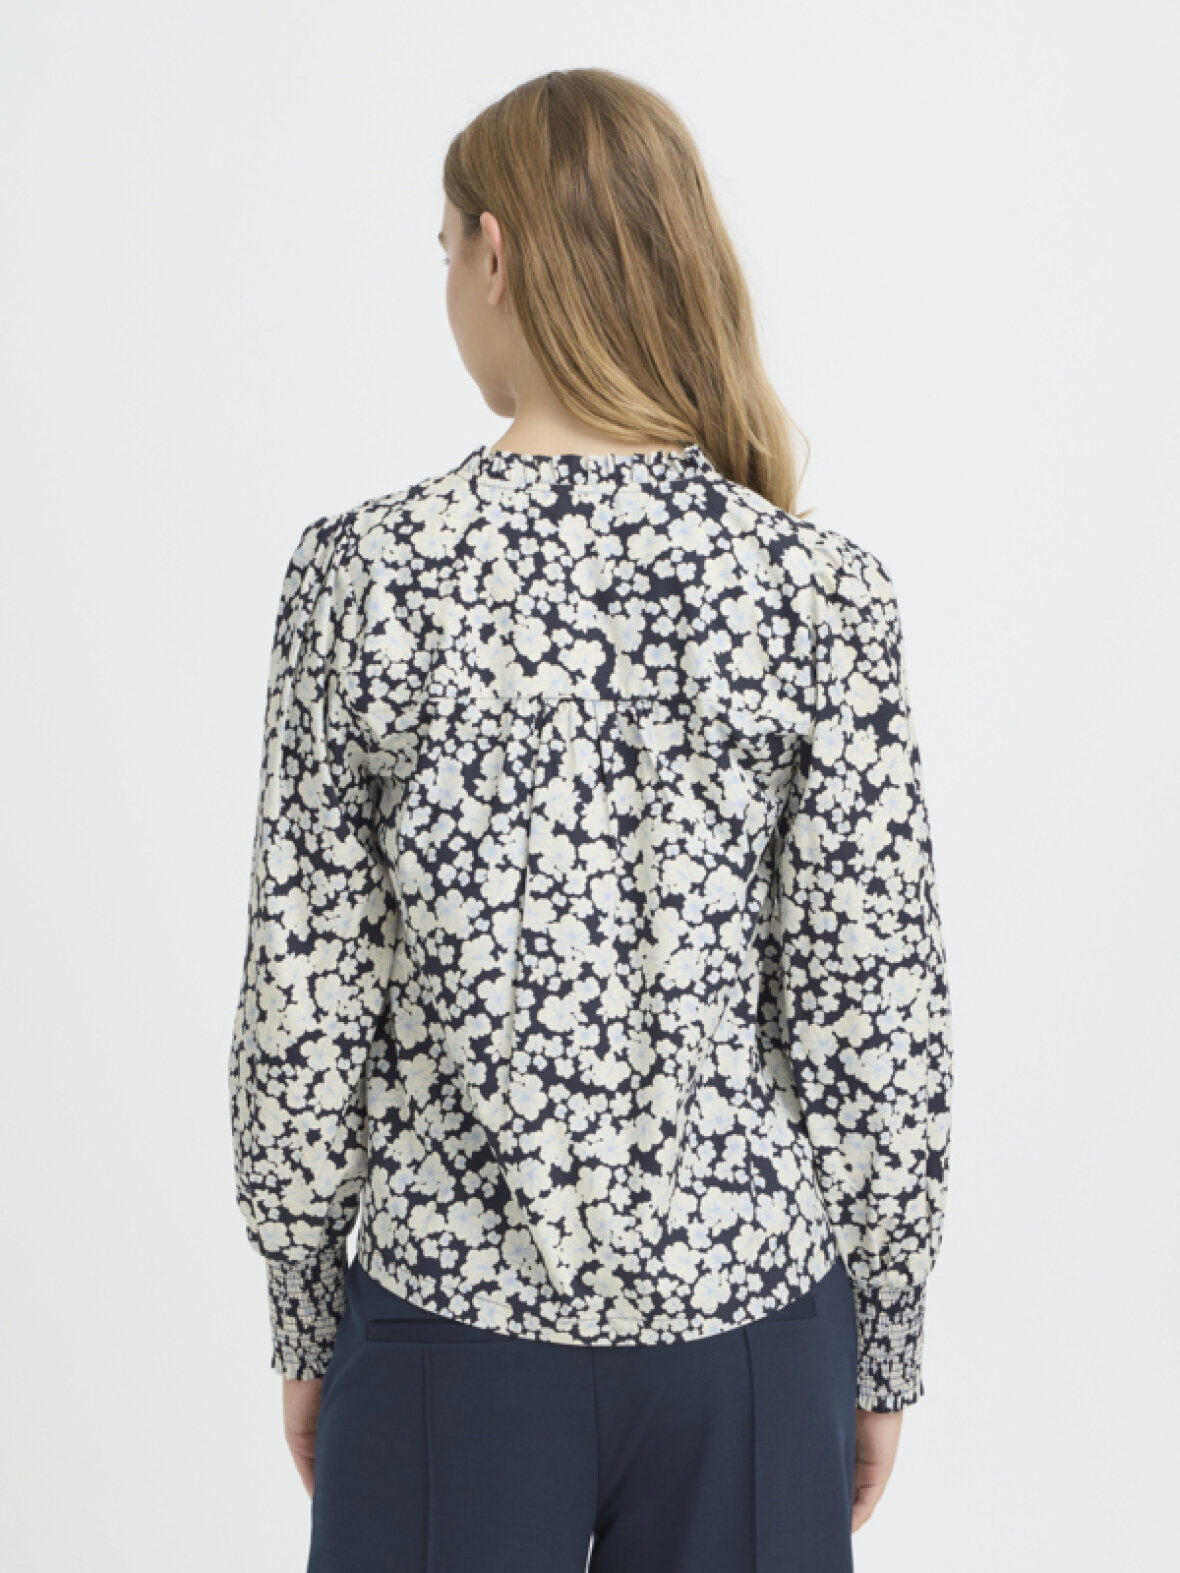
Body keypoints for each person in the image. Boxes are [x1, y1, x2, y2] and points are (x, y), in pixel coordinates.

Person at [228, 66, 954, 1573]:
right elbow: (874, 1010)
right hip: (752, 1323)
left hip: (444, 1327)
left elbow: (305, 1006)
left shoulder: (364, 577)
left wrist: (302, 1310)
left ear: (494, 254)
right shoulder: (820, 592)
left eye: (443, 247)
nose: (446, 279)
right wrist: (883, 1337)